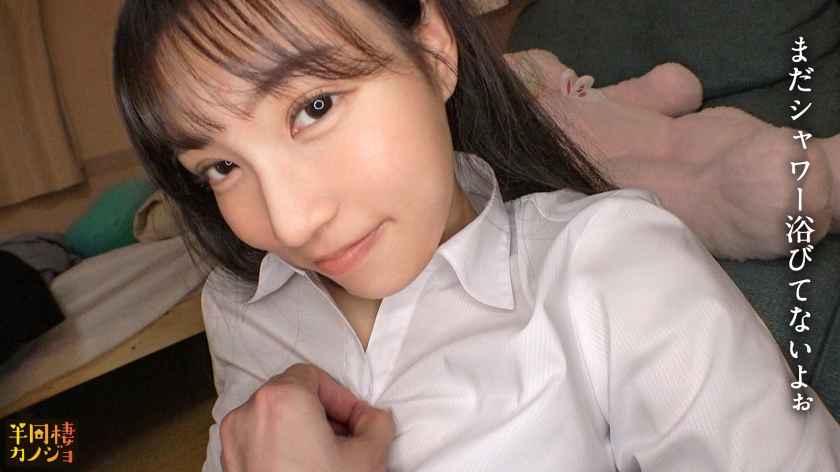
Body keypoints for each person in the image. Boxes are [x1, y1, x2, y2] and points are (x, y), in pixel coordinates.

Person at [112, 0, 840, 470]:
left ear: (433, 52)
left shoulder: (614, 267)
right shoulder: (241, 306)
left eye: (315, 106)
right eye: (221, 166)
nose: (291, 222)